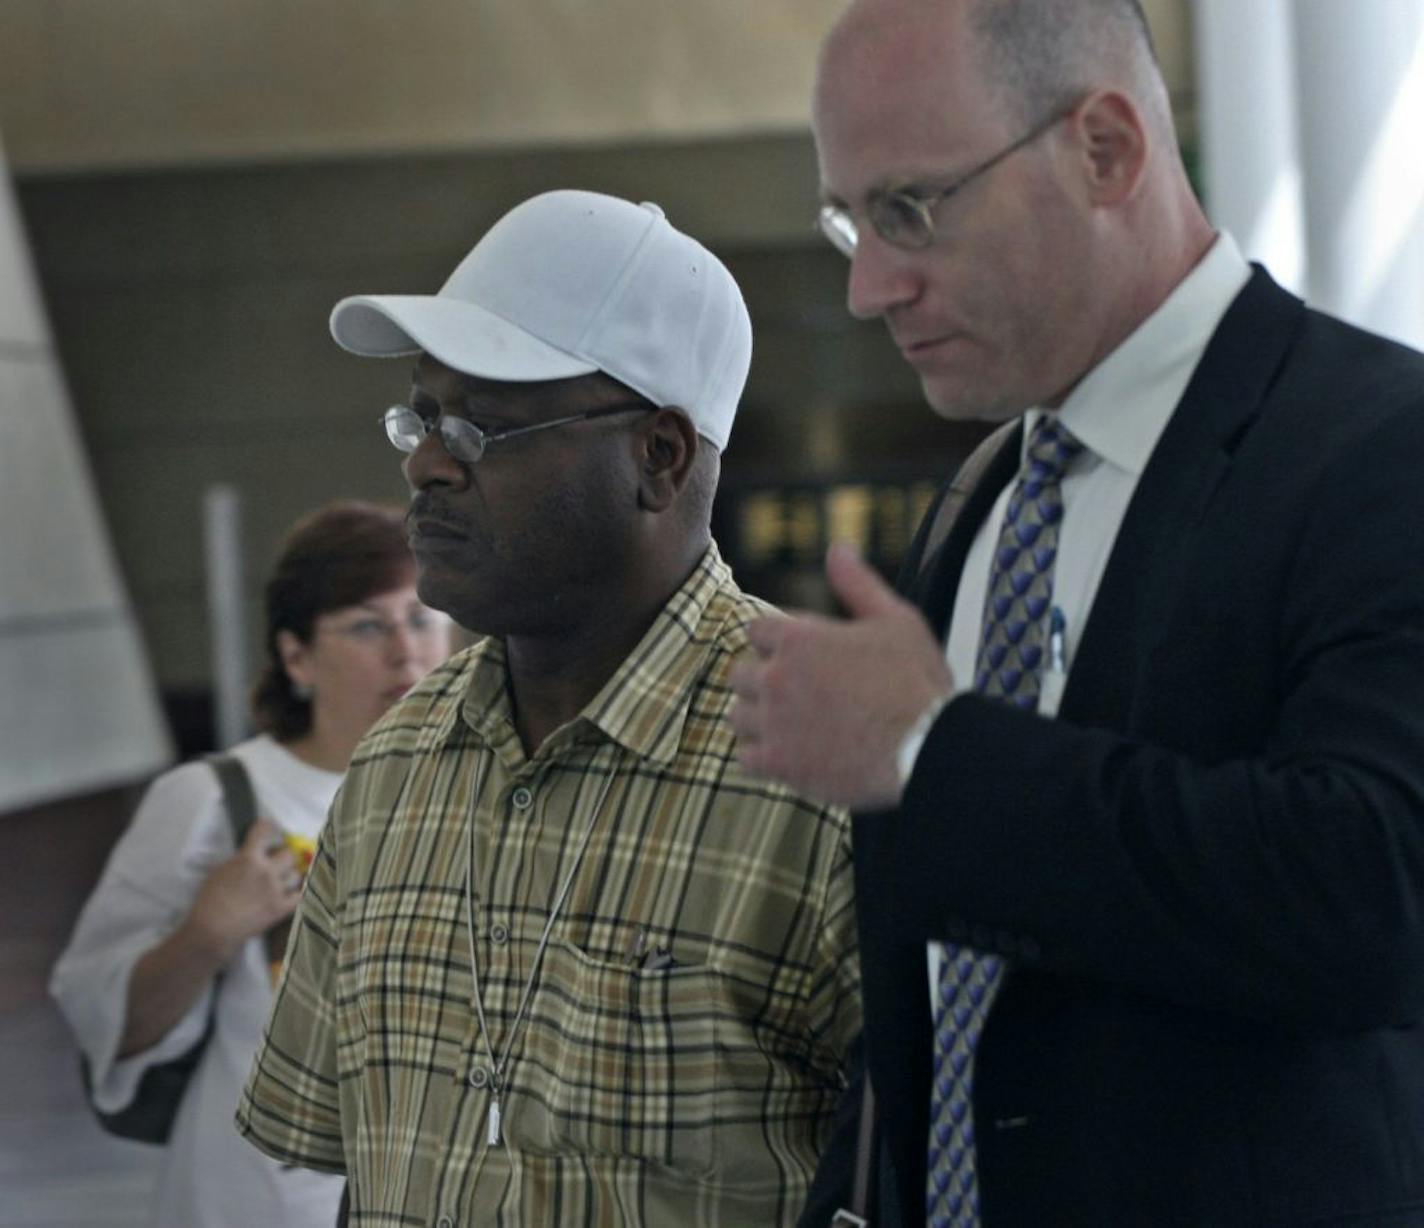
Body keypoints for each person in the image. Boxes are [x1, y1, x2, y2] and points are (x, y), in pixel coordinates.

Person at [725, 1, 1424, 1225]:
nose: (865, 287)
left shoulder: (1375, 445)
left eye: (909, 210)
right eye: (848, 219)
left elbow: (1374, 895)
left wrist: (929, 754)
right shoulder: (983, 495)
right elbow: (944, 1003)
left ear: (1104, 150)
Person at [235, 189, 861, 1227]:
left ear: (658, 455)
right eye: (423, 416)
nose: (426, 461)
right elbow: (365, 1175)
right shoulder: (395, 768)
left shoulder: (824, 767)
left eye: (482, 425)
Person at [51, 500, 453, 1228]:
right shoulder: (214, 801)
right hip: (255, 1200)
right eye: (367, 625)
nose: (406, 652)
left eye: (422, 617)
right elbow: (100, 1016)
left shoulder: (484, 796)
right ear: (296, 656)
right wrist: (205, 934)